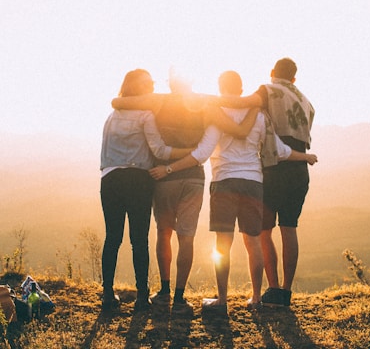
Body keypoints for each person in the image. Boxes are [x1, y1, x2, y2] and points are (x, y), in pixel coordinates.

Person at [149, 71, 317, 314]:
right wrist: (305, 157)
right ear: (241, 90)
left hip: (224, 182)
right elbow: (279, 150)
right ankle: (257, 298)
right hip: (253, 183)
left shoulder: (217, 114)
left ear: (220, 87)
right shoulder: (259, 115)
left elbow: (202, 153)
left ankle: (222, 300)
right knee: (254, 242)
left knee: (223, 244)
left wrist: (169, 168)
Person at [111, 70, 258, 315]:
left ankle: (164, 291)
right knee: (186, 237)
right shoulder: (205, 103)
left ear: (170, 83)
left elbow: (119, 102)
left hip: (164, 176)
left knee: (163, 232)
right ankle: (179, 298)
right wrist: (255, 105)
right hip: (194, 178)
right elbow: (237, 117)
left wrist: (117, 101)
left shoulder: (159, 100)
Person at [211, 58, 316, 307]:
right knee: (290, 228)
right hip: (298, 169)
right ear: (294, 78)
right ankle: (285, 293)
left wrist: (206, 101)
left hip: (274, 168)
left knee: (264, 231)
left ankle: (272, 289)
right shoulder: (305, 101)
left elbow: (241, 103)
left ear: (272, 73)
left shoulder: (267, 90)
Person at [100, 69, 192, 312]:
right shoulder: (146, 114)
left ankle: (108, 295)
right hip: (138, 180)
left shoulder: (112, 115)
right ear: (138, 88)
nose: (152, 86)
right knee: (139, 240)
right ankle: (142, 297)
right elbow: (160, 151)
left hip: (110, 179)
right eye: (148, 83)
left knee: (112, 238)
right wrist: (190, 152)